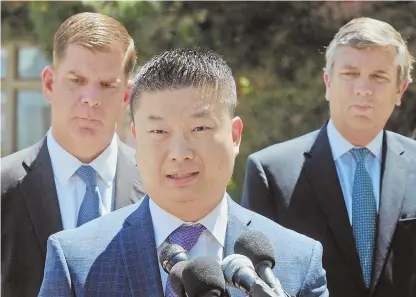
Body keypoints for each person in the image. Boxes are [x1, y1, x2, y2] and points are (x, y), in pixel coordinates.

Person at [37, 48, 329, 297]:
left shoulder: (297, 260)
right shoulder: (76, 260)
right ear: (136, 141)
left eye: (199, 128)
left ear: (235, 136)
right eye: (159, 131)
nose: (179, 152)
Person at [241, 17, 416, 297]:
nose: (362, 88)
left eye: (378, 77)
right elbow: (257, 283)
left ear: (400, 90)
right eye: (350, 73)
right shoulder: (271, 173)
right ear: (327, 82)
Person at [1, 12, 146, 297]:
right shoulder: (3, 187)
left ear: (127, 97)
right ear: (49, 85)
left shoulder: (158, 187)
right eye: (77, 80)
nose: (90, 98)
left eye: (106, 85)